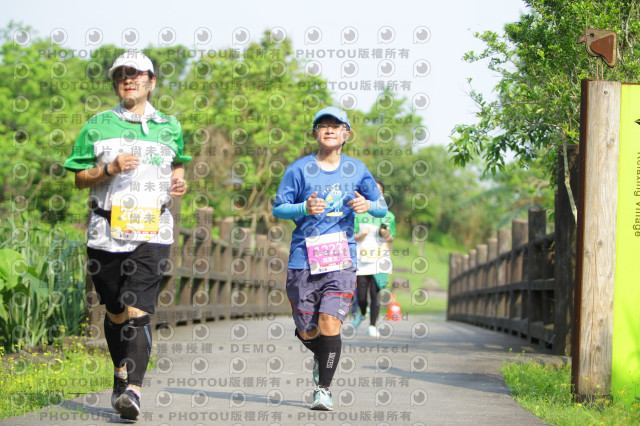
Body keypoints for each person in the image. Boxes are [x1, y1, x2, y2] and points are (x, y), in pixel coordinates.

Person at [64, 50, 190, 421]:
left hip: (153, 229)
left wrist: (179, 180)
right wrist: (109, 168)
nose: (128, 80)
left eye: (136, 74)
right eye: (122, 75)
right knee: (115, 309)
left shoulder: (170, 125)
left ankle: (132, 390)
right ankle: (121, 375)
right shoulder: (97, 125)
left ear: (151, 82)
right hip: (106, 232)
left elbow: (178, 162)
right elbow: (78, 177)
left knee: (137, 308)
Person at [272, 106, 388, 411]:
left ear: (346, 134)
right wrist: (303, 208)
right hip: (303, 259)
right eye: (322, 125)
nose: (329, 129)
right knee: (308, 329)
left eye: (336, 126)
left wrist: (368, 206)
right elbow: (278, 209)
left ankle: (323, 388)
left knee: (329, 321)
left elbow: (382, 206)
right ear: (315, 133)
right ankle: (322, 357)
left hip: (341, 258)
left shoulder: (357, 169)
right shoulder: (298, 170)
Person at [352, 180, 396, 337]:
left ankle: (372, 325)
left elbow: (391, 238)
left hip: (379, 260)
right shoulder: (358, 214)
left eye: (379, 192)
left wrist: (386, 234)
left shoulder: (388, 215)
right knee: (361, 295)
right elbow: (351, 236)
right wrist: (361, 235)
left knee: (375, 293)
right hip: (362, 261)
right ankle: (362, 312)